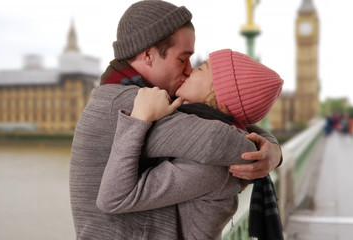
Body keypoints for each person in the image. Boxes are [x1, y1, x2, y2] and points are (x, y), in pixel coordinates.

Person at [69, 1, 282, 239]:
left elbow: (225, 120)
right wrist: (268, 153)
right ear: (148, 54)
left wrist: (271, 147)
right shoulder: (131, 104)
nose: (189, 70)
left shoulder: (133, 94)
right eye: (183, 59)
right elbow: (216, 139)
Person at [97, 49, 284, 239]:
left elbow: (113, 198)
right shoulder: (211, 133)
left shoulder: (209, 168)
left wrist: (138, 119)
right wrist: (274, 148)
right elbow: (239, 120)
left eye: (201, 69)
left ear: (216, 95)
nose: (190, 70)